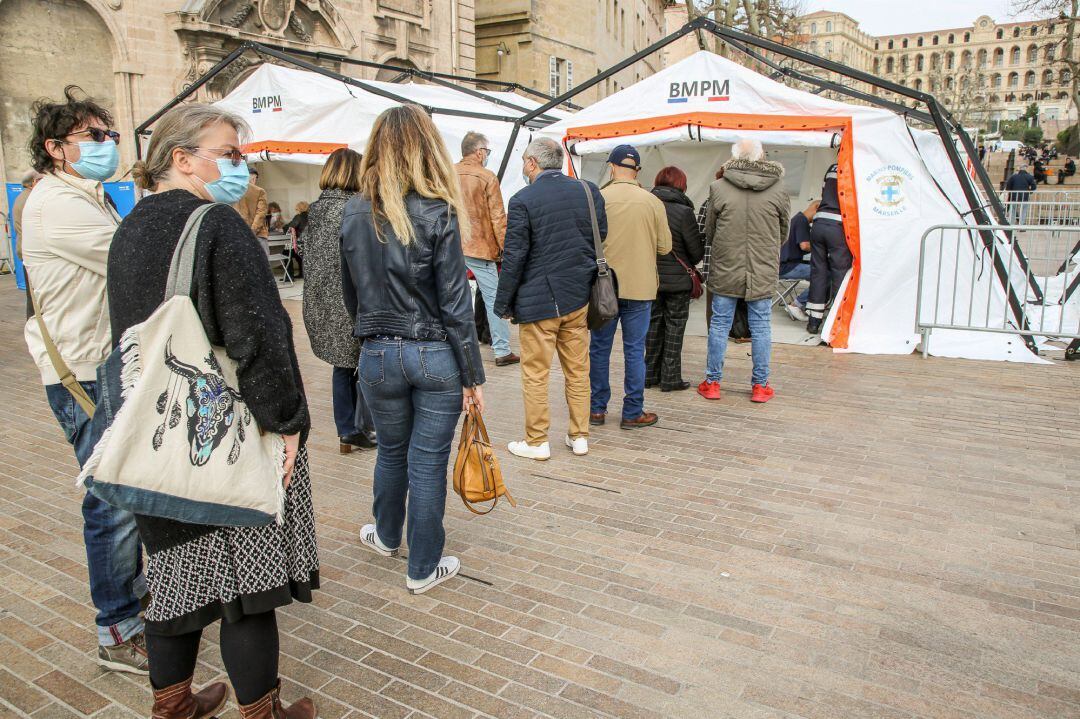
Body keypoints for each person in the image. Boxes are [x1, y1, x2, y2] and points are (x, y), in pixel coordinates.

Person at [114, 103, 319, 719]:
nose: (240, 166)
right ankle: (264, 713)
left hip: (157, 431)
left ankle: (171, 705)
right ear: (182, 158)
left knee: (174, 579)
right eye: (229, 153)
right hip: (223, 428)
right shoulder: (217, 225)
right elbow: (257, 335)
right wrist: (286, 424)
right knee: (248, 592)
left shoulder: (131, 227)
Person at [20, 86, 147, 675]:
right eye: (93, 137)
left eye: (111, 136)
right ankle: (118, 628)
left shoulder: (88, 195)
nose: (107, 145)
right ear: (55, 148)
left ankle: (134, 603)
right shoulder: (55, 203)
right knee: (111, 501)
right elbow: (132, 258)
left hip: (103, 362)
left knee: (125, 491)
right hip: (82, 372)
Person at [341, 105, 485, 595]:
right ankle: (422, 565)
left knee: (392, 453)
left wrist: (370, 336)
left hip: (378, 352)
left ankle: (386, 536)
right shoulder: (438, 209)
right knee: (425, 462)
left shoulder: (354, 209)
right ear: (428, 147)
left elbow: (350, 293)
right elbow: (455, 303)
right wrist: (473, 376)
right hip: (433, 353)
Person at [494, 137, 600, 460]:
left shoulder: (522, 199)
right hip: (578, 295)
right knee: (578, 369)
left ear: (532, 163)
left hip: (538, 301)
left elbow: (514, 257)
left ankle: (537, 440)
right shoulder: (588, 191)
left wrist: (503, 303)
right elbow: (600, 236)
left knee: (536, 373)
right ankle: (579, 435)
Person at [699, 138, 788, 404]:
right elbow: (783, 233)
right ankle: (760, 386)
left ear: (734, 157)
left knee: (719, 323)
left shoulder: (718, 187)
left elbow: (711, 231)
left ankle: (713, 382)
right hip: (762, 267)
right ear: (762, 157)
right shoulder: (779, 189)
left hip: (726, 264)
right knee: (761, 326)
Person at [589, 144, 672, 429]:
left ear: (611, 167)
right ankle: (632, 411)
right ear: (637, 171)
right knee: (635, 349)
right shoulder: (652, 201)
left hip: (604, 287)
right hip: (640, 286)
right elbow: (665, 247)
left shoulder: (598, 198)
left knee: (599, 349)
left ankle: (596, 409)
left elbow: (589, 243)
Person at [303, 148, 375, 453]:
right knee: (362, 365)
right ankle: (359, 427)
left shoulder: (316, 209)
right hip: (348, 301)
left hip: (321, 303)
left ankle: (347, 429)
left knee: (343, 366)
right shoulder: (354, 209)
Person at [454, 131, 519, 366]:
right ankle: (502, 350)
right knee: (493, 300)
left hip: (449, 245)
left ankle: (447, 345)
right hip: (479, 247)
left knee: (448, 295)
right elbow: (498, 218)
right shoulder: (487, 177)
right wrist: (505, 249)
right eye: (487, 152)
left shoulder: (446, 173)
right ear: (480, 152)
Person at [646, 165, 704, 392]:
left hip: (651, 277)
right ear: (682, 185)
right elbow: (696, 252)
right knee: (675, 328)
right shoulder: (684, 212)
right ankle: (670, 378)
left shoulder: (646, 205)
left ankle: (648, 375)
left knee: (652, 326)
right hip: (678, 281)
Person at [805, 161, 850, 335]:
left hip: (819, 223)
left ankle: (813, 322)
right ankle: (835, 322)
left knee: (818, 272)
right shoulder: (854, 165)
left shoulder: (832, 167)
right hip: (838, 225)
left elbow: (824, 193)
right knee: (840, 273)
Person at [778, 199, 819, 322]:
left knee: (820, 273)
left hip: (784, 265)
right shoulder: (802, 221)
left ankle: (801, 303)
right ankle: (797, 305)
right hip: (787, 267)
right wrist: (820, 247)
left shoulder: (797, 219)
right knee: (824, 275)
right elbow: (805, 246)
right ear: (816, 208)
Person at [234, 166, 269, 254]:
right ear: (253, 177)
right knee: (262, 263)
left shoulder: (233, 190)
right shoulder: (259, 191)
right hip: (258, 234)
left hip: (239, 233)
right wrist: (252, 231)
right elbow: (261, 213)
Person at [284, 200, 308, 278]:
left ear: (299, 209)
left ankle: (289, 277)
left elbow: (290, 228)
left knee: (286, 253)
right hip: (309, 245)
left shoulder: (298, 217)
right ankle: (302, 273)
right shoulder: (312, 216)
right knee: (298, 256)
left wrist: (283, 227)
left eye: (296, 209)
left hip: (300, 245)